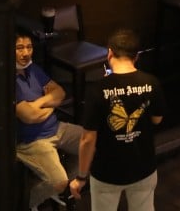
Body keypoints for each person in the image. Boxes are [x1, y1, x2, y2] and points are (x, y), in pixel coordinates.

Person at [69, 28, 166, 211]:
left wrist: (81, 177)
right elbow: (157, 119)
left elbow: (88, 139)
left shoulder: (97, 89)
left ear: (110, 53)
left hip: (107, 172)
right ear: (136, 56)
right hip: (143, 167)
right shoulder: (152, 82)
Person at [15, 27, 81, 210]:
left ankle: (61, 189)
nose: (26, 52)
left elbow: (60, 92)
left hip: (56, 127)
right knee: (57, 180)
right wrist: (50, 105)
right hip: (32, 141)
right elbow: (28, 116)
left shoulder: (33, 70)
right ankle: (29, 204)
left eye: (29, 47)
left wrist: (38, 103)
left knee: (92, 144)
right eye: (20, 48)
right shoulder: (7, 79)